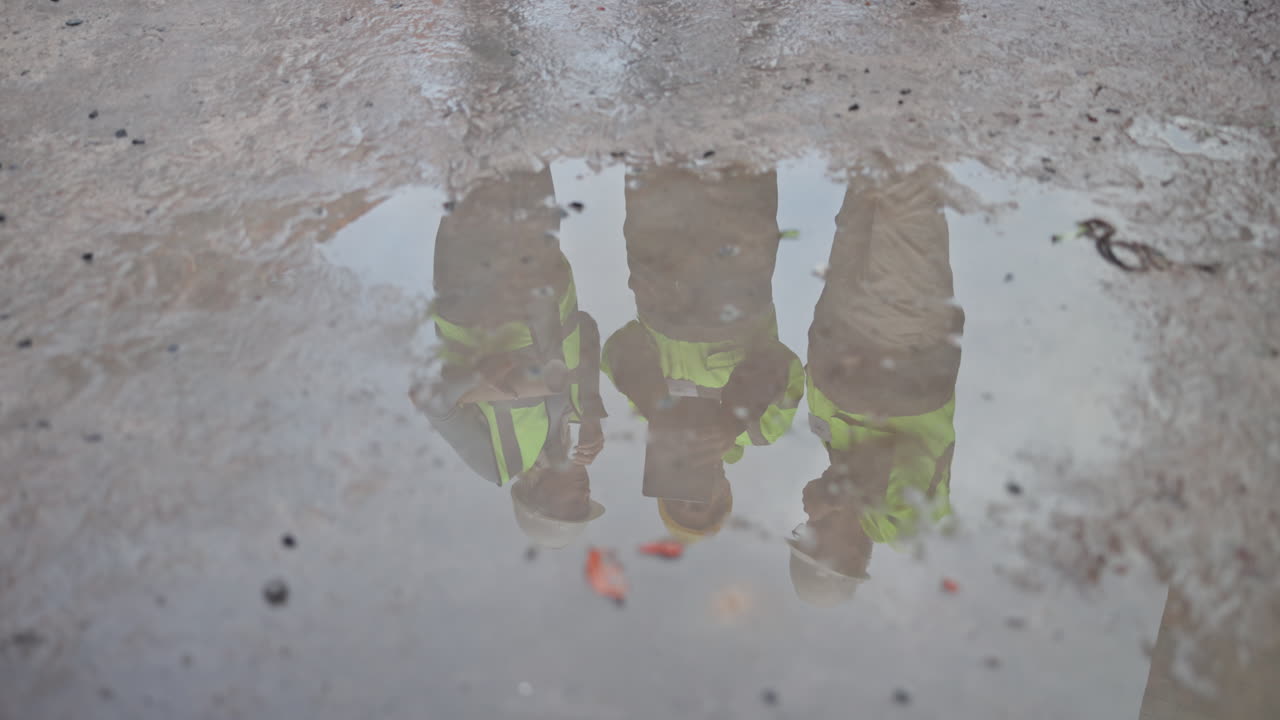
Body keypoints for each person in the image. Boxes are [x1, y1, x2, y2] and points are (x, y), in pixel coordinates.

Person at [790, 165, 964, 606]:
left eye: (801, 534)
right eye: (815, 540)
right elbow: (902, 457)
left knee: (867, 177)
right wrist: (841, 495)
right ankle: (919, 102)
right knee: (907, 196)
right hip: (901, 340)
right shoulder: (902, 529)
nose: (809, 524)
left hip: (841, 323)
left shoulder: (833, 458)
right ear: (851, 555)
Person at [603, 163, 804, 544]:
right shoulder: (762, 430)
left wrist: (654, 404)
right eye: (702, 503)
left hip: (656, 268)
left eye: (677, 501)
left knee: (654, 145)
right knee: (742, 151)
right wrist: (732, 420)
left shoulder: (647, 410)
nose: (690, 495)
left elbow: (619, 348)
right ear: (724, 490)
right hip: (737, 276)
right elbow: (781, 364)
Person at [411, 168, 608, 549]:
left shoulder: (497, 464)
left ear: (535, 499)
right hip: (542, 262)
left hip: (477, 290)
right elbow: (585, 327)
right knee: (525, 149)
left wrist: (476, 376)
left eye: (569, 506)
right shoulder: (571, 425)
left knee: (474, 159)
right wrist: (592, 409)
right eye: (585, 503)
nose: (583, 495)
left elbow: (428, 399)